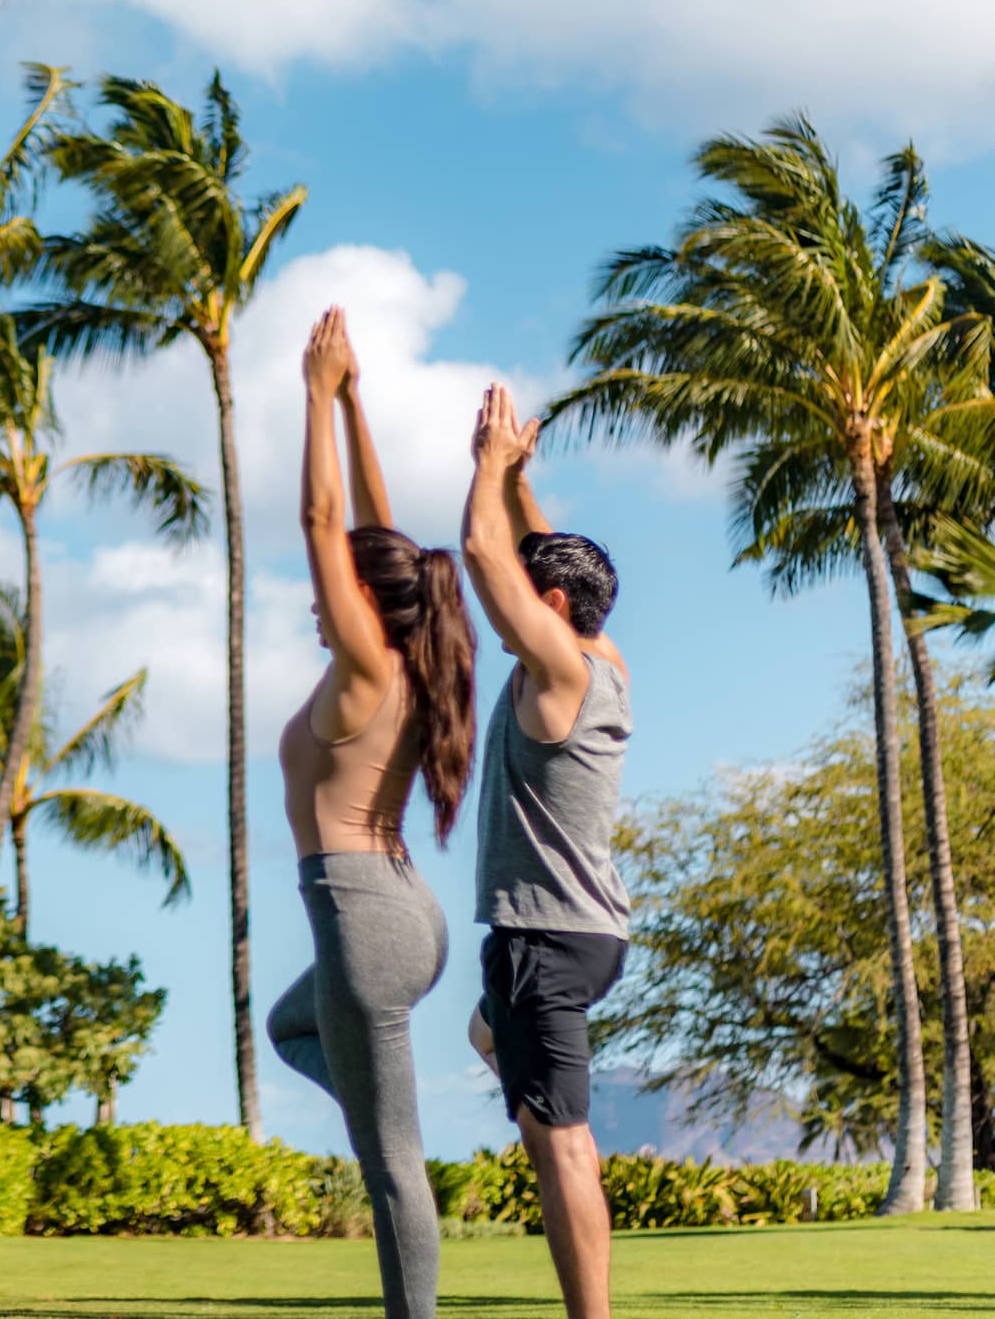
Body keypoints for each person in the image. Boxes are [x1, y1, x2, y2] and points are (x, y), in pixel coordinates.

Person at [267, 308, 477, 1319]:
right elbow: (375, 537)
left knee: (391, 1162)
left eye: (335, 586)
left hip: (360, 920)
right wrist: (356, 408)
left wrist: (311, 395)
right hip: (402, 914)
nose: (315, 595)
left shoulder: (363, 669)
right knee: (285, 1027)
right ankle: (377, 1101)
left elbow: (323, 528)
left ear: (361, 598)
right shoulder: (411, 655)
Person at [461, 381, 630, 1319]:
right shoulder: (605, 658)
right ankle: (546, 1096)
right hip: (590, 934)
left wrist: (485, 467)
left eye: (537, 594)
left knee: (556, 1138)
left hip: (544, 938)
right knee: (489, 1038)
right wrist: (524, 479)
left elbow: (487, 555)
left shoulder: (560, 668)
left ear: (553, 606)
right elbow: (534, 553)